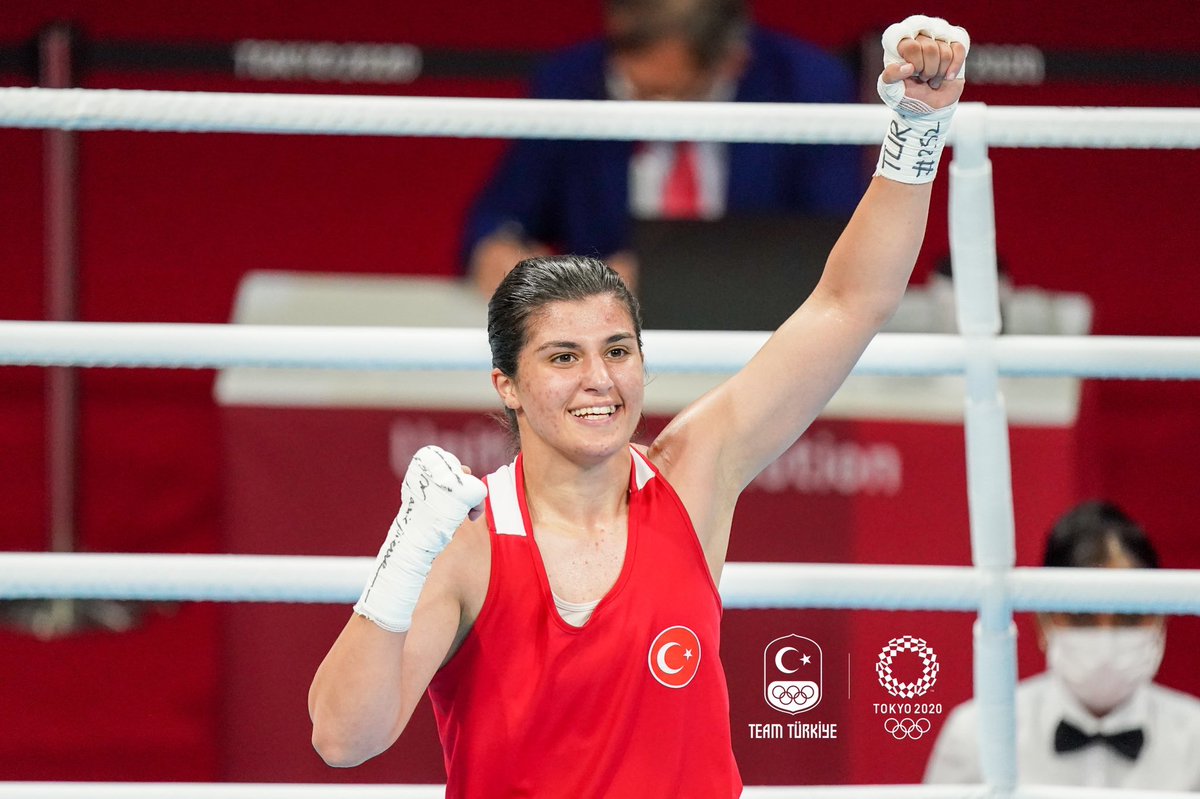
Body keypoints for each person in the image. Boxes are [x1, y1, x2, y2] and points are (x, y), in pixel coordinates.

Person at [310, 15, 969, 797]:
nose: (600, 379)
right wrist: (400, 558)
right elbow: (345, 739)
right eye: (563, 356)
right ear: (507, 385)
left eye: (617, 350)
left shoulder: (696, 469)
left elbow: (850, 301)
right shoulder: (464, 539)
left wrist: (917, 134)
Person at [462, 0, 867, 297]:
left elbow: (834, 246)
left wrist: (668, 278)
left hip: (762, 342)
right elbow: (501, 211)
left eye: (661, 93)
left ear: (732, 61)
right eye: (624, 81)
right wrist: (495, 247)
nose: (629, 100)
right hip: (604, 339)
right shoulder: (573, 80)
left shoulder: (809, 88)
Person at [924, 501, 1200, 790]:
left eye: (1128, 615)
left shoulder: (1196, 739)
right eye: (1082, 616)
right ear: (1044, 621)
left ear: (1160, 619)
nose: (1105, 635)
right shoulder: (975, 735)